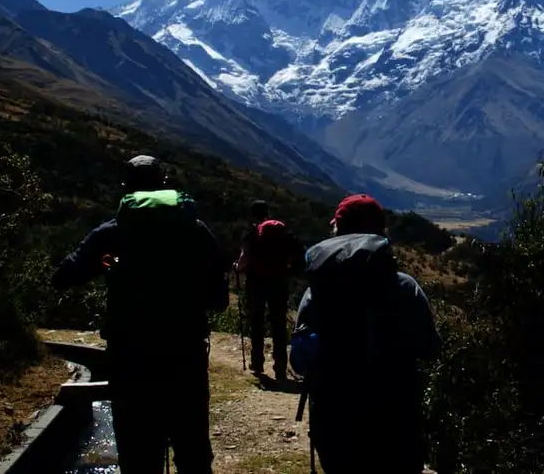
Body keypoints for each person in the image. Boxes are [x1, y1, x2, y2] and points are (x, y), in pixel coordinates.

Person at [52, 155, 229, 474]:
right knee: (193, 452)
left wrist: (106, 266)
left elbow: (63, 276)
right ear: (164, 184)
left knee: (138, 454)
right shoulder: (195, 229)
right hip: (184, 354)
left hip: (129, 358)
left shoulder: (110, 232)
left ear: (125, 189)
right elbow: (218, 299)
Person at [291, 193, 443, 474]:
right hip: (396, 422)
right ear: (381, 232)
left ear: (336, 229)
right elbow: (431, 347)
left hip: (334, 421)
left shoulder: (318, 291)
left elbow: (299, 362)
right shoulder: (405, 287)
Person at [234, 199, 304, 381]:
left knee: (257, 322)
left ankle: (257, 363)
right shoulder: (281, 232)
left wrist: (238, 268)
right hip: (279, 282)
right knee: (278, 324)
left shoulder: (251, 232)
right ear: (268, 212)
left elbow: (244, 259)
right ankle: (280, 366)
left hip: (256, 282)